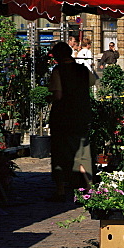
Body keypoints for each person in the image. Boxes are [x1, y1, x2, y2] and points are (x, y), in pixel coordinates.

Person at [46, 41, 92, 203]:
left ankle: (60, 190)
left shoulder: (58, 71)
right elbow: (91, 83)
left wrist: (48, 97)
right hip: (82, 115)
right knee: (81, 152)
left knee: (60, 153)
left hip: (63, 117)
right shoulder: (83, 69)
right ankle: (88, 187)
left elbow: (57, 95)